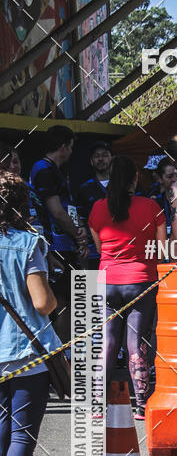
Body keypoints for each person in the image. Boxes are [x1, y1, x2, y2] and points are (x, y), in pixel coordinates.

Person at [0, 171, 60, 456]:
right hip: (26, 354)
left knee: (1, 435)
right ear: (23, 205)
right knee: (21, 437)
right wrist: (54, 299)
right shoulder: (27, 243)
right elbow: (42, 303)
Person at [88, 155, 166, 419]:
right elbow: (162, 249)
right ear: (135, 178)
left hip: (107, 282)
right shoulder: (152, 207)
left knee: (107, 344)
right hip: (141, 282)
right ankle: (142, 405)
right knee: (136, 344)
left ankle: (98, 403)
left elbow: (99, 249)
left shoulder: (98, 208)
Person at [29, 125, 88, 341]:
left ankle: (69, 352)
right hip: (56, 246)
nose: (71, 153)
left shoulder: (55, 170)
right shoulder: (43, 169)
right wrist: (78, 234)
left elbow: (67, 208)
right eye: (71, 147)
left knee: (75, 298)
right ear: (63, 147)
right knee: (62, 300)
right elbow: (57, 211)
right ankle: (62, 354)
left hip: (66, 244)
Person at [76, 142, 113, 270]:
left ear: (111, 158)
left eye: (104, 155)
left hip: (119, 249)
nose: (101, 159)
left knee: (116, 287)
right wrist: (82, 243)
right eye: (96, 156)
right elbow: (78, 217)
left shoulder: (122, 185)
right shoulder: (85, 188)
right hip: (92, 250)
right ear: (91, 161)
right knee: (92, 288)